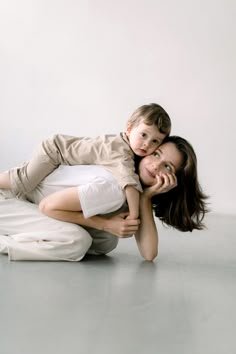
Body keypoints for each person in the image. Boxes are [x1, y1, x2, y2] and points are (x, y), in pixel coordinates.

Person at [0, 136, 208, 262]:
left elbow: (149, 254)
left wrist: (146, 197)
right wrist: (104, 223)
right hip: (8, 200)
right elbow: (47, 206)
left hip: (30, 205)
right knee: (78, 242)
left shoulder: (131, 187)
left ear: (173, 180)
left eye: (168, 167)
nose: (156, 166)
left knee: (105, 242)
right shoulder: (114, 186)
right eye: (156, 154)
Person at [0, 103, 171, 220]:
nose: (147, 144)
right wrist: (134, 215)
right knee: (24, 182)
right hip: (54, 150)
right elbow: (129, 183)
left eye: (155, 141)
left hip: (58, 152)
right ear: (129, 129)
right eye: (144, 135)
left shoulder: (125, 149)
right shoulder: (120, 152)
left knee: (24, 179)